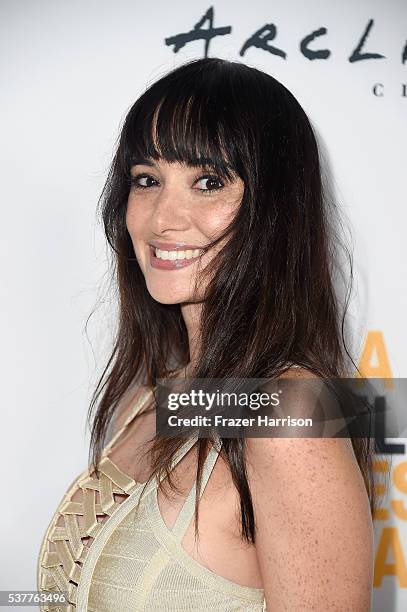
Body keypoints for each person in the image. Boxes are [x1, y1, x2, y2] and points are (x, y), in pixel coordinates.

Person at [37, 57, 375, 611]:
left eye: (208, 181)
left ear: (275, 211)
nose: (162, 216)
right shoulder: (153, 394)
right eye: (147, 180)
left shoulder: (288, 419)